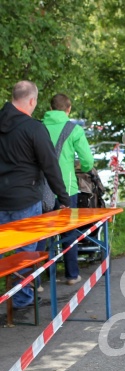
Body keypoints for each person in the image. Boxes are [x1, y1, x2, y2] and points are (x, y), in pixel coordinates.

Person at [0, 81, 70, 308]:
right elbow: (50, 166)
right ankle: (21, 300)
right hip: (26, 201)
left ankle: (11, 297)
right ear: (32, 101)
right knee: (25, 252)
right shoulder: (34, 128)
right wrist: (63, 198)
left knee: (5, 253)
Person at [42, 93, 94, 285]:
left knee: (43, 234)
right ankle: (71, 275)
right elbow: (87, 161)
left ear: (51, 107)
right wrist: (85, 169)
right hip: (67, 189)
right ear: (68, 109)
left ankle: (39, 280)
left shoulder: (38, 127)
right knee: (68, 232)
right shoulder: (74, 129)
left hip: (42, 190)